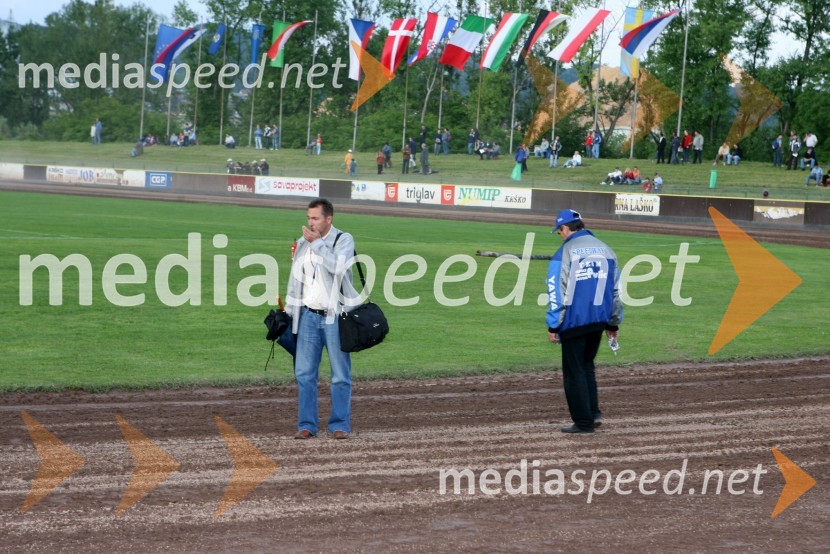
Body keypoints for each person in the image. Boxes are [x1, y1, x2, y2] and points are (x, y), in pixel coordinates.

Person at [285, 198, 360, 440]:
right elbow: (296, 279)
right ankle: (306, 425)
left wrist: (317, 244)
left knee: (339, 374)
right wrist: (289, 310)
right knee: (304, 373)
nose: (311, 222)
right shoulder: (302, 243)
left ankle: (340, 425)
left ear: (329, 219)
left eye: (316, 218)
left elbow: (337, 267)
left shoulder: (343, 240)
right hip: (307, 315)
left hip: (335, 317)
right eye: (309, 218)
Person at [546, 209, 623, 434]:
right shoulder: (606, 249)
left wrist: (554, 325)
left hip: (574, 320)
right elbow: (616, 291)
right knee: (587, 366)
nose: (560, 235)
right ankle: (593, 413)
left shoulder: (564, 252)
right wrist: (612, 323)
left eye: (559, 231)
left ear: (566, 228)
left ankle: (583, 422)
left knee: (574, 371)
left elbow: (556, 292)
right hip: (599, 320)